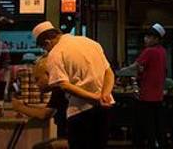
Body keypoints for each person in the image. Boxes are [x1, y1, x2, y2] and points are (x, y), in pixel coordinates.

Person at [32, 21, 115, 149]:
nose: (46, 51)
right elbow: (109, 72)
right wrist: (105, 95)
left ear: (47, 42)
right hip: (104, 108)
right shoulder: (90, 42)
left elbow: (64, 85)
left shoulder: (55, 53)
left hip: (80, 111)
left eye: (44, 48)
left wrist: (95, 98)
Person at [116, 23, 168, 149]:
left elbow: (134, 67)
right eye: (146, 36)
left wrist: (118, 72)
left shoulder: (149, 51)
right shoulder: (162, 51)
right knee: (157, 126)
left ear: (156, 39)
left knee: (145, 126)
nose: (146, 39)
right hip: (158, 96)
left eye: (149, 37)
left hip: (146, 96)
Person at [11, 56, 69, 148]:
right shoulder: (59, 88)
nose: (36, 84)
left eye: (37, 79)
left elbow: (44, 115)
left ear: (48, 74)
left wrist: (19, 107)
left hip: (71, 140)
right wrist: (26, 107)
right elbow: (47, 110)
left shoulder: (59, 89)